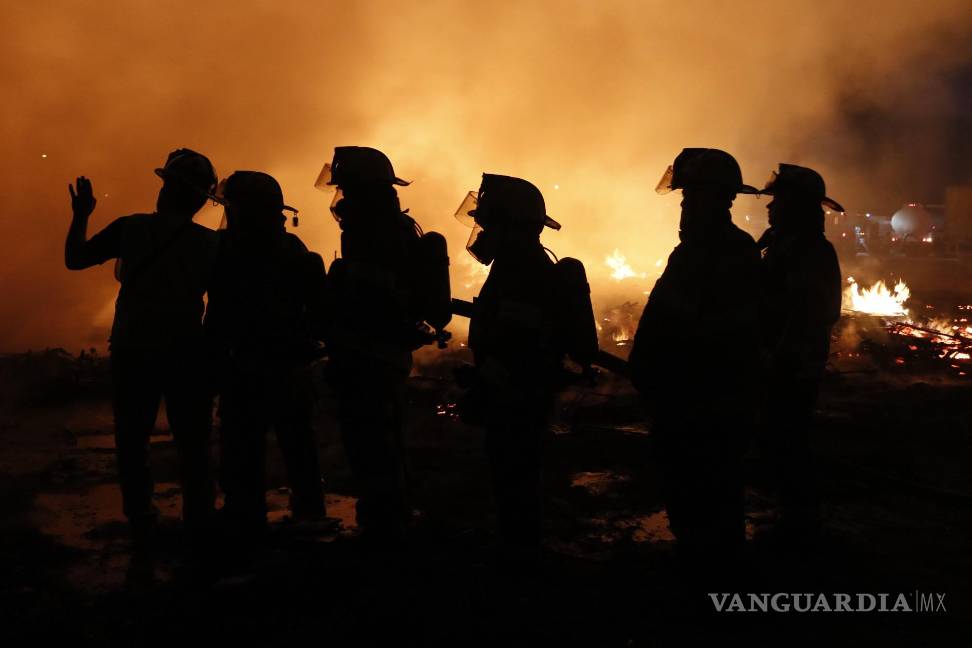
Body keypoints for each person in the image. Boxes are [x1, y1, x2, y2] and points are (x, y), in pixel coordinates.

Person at [64, 149, 219, 550]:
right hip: (188, 352)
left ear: (166, 189)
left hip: (134, 348)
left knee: (132, 440)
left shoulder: (130, 228)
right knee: (194, 443)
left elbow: (75, 259)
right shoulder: (210, 244)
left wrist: (81, 215)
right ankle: (200, 523)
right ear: (201, 199)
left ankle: (142, 522)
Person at [628, 148, 761, 586]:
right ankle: (704, 571)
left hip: (705, 400)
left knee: (709, 489)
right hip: (690, 396)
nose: (684, 208)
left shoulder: (727, 253)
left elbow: (712, 329)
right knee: (692, 491)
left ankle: (714, 584)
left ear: (715, 198)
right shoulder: (700, 251)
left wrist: (667, 371)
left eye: (689, 198)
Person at [455, 174, 598, 565]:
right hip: (514, 393)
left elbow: (520, 349)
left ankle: (521, 554)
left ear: (511, 227)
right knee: (512, 470)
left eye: (489, 225)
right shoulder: (515, 268)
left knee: (514, 470)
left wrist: (487, 381)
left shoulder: (525, 274)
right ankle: (517, 544)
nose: (482, 235)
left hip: (517, 397)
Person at [318, 146, 447, 545]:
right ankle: (388, 518)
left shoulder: (377, 235)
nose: (341, 200)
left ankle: (384, 528)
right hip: (377, 353)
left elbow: (372, 301)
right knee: (379, 441)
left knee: (371, 443)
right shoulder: (383, 230)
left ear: (364, 191)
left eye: (347, 190)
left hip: (370, 354)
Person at [205, 171, 328, 541]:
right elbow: (317, 311)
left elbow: (217, 314)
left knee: (242, 442)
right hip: (289, 364)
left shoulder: (222, 249)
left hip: (243, 364)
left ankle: (245, 516)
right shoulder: (293, 250)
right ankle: (309, 512)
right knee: (298, 442)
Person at [755, 163, 843, 541]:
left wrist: (779, 356)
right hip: (780, 359)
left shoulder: (811, 252)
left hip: (793, 364)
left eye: (777, 200)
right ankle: (791, 511)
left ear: (795, 206)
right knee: (777, 435)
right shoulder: (784, 246)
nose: (769, 206)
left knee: (789, 436)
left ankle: (800, 519)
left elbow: (809, 311)